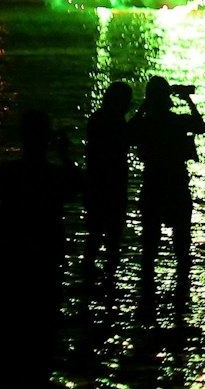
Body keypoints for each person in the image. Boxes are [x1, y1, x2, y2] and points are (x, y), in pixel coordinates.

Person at [0, 109, 81, 379]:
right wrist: (65, 154)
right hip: (45, 256)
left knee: (6, 328)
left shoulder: (9, 172)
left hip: (11, 257)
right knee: (41, 329)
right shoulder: (54, 176)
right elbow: (76, 188)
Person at [129, 76, 205, 281]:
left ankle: (147, 293)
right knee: (182, 245)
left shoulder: (146, 124)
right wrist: (188, 100)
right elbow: (201, 126)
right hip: (176, 185)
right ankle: (182, 293)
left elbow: (128, 134)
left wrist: (145, 104)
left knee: (149, 246)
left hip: (153, 184)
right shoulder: (178, 122)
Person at [82, 80, 134, 280]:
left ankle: (88, 281)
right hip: (111, 185)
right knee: (112, 238)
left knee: (94, 234)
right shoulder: (115, 121)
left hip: (96, 184)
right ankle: (108, 282)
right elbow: (126, 138)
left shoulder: (99, 118)